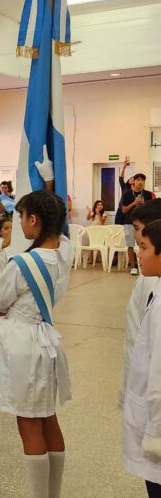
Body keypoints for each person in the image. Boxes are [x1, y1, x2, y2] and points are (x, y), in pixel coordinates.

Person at [0, 191, 73, 498]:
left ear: (33, 220)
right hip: (46, 340)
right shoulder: (66, 252)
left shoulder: (23, 263)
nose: (20, 222)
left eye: (22, 216)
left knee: (29, 424)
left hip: (25, 344)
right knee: (48, 417)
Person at [123, 220, 161, 496]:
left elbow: (158, 373)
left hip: (155, 424)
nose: (139, 253)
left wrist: (155, 432)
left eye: (145, 248)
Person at [119, 200, 161, 409]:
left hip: (149, 382)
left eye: (137, 229)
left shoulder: (152, 279)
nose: (135, 235)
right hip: (138, 366)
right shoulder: (148, 274)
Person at [122, 173, 154, 276]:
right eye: (138, 180)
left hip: (143, 223)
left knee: (143, 244)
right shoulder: (127, 194)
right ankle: (133, 267)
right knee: (130, 245)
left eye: (143, 180)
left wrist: (143, 204)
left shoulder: (148, 194)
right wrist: (134, 203)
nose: (140, 182)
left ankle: (143, 264)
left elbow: (150, 211)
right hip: (129, 223)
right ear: (134, 181)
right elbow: (123, 210)